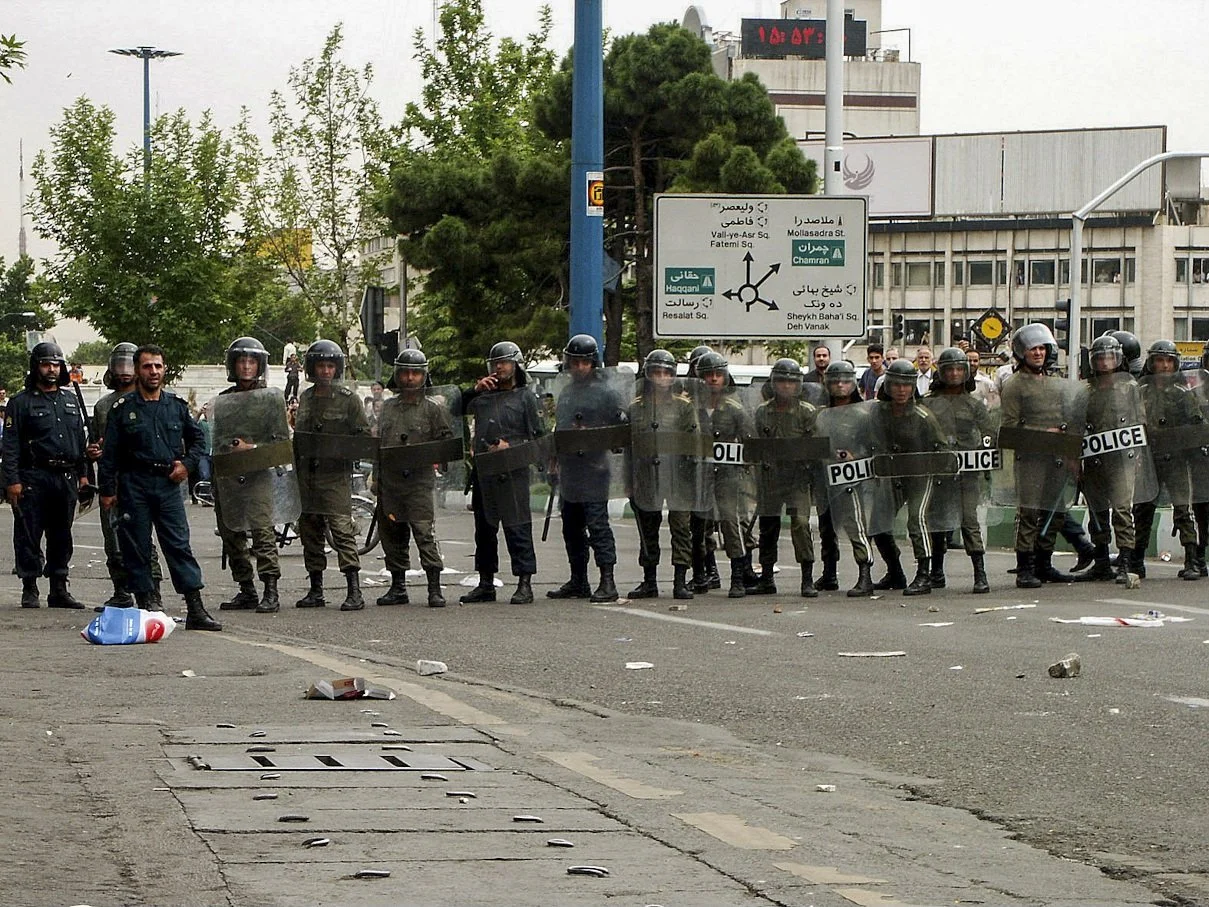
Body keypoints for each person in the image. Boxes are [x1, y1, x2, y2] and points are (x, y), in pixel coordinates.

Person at [97, 345, 222, 630]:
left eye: (158, 366)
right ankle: (147, 607)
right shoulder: (122, 410)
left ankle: (195, 608)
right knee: (137, 548)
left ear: (164, 369)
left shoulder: (175, 406)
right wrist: (107, 491)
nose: (153, 372)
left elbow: (199, 441)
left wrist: (187, 466)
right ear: (137, 370)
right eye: (147, 367)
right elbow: (110, 455)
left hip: (167, 484)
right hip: (134, 485)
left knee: (178, 545)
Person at [2, 341, 89, 609]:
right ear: (35, 366)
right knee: (29, 533)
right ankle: (30, 586)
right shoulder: (20, 402)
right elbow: (11, 445)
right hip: (33, 477)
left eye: (56, 364)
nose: (51, 369)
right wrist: (12, 481)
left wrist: (84, 475)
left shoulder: (71, 400)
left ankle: (58, 587)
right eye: (45, 364)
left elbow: (79, 441)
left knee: (62, 533)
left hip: (65, 477)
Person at [291, 340, 373, 612]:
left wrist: (340, 448)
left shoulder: (350, 400)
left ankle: (354, 590)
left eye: (329, 366)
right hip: (307, 476)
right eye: (320, 366)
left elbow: (362, 437)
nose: (325, 371)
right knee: (310, 532)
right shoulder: (306, 398)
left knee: (342, 531)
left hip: (334, 475)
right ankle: (316, 590)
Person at [460, 341, 545, 605]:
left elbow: (540, 439)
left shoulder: (526, 398)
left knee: (517, 528)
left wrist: (512, 447)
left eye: (505, 362)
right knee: (484, 531)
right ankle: (486, 583)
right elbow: (454, 408)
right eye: (496, 363)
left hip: (512, 471)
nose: (500, 367)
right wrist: (474, 391)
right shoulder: (482, 398)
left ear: (516, 364)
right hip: (484, 473)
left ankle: (524, 582)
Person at [999, 324, 1082, 588]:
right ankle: (1025, 567)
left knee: (1055, 510)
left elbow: (1067, 419)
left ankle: (1044, 563)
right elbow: (1010, 426)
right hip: (1031, 457)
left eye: (1042, 348)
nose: (1038, 353)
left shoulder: (1054, 383)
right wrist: (1042, 431)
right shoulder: (1014, 385)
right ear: (1021, 353)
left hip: (1056, 456)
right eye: (1033, 349)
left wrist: (1071, 453)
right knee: (1030, 511)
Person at [547, 334, 627, 603]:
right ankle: (578, 580)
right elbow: (560, 428)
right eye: (575, 362)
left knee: (598, 526)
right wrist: (554, 462)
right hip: (570, 469)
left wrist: (594, 433)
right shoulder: (567, 393)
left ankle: (608, 580)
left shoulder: (606, 393)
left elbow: (619, 429)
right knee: (571, 528)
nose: (579, 367)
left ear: (594, 363)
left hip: (595, 468)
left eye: (584, 362)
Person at [374, 349, 457, 608]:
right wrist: (376, 478)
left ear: (424, 376)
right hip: (391, 480)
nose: (410, 378)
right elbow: (380, 446)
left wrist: (436, 459)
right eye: (405, 373)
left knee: (424, 532)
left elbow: (447, 444)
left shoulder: (434, 409)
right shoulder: (387, 408)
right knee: (392, 533)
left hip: (419, 481)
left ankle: (434, 586)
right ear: (397, 375)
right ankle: (398, 586)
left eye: (416, 373)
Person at [87, 342, 165, 608]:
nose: (122, 372)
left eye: (126, 365)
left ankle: (152, 592)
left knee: (143, 538)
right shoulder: (103, 406)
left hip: (140, 481)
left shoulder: (149, 400)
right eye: (117, 366)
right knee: (113, 537)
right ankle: (121, 590)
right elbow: (97, 440)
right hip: (112, 481)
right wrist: (95, 451)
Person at [864, 358, 951, 595]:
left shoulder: (923, 416)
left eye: (906, 385)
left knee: (917, 520)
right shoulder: (878, 413)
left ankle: (924, 574)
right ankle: (895, 572)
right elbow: (869, 441)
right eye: (896, 385)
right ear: (888, 385)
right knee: (877, 524)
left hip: (921, 476)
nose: (901, 390)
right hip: (893, 477)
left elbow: (941, 449)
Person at [211, 337, 284, 613]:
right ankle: (246, 588)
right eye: (241, 360)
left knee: (263, 533)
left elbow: (280, 445)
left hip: (258, 474)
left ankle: (271, 589)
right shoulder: (224, 400)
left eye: (252, 361)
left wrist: (251, 448)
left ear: (260, 365)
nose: (246, 366)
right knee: (231, 534)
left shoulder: (270, 400)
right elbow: (217, 439)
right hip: (229, 476)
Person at [627, 349, 703, 600]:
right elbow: (629, 447)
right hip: (647, 475)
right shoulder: (636, 407)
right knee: (647, 527)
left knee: (681, 527)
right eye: (656, 372)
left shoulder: (683, 407)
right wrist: (629, 481)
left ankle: (680, 579)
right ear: (647, 375)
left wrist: (694, 477)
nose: (661, 378)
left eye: (666, 373)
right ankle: (649, 579)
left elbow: (695, 442)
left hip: (678, 475)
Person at [922, 348, 996, 593]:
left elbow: (988, 434)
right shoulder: (928, 402)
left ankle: (980, 572)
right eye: (949, 369)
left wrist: (982, 448)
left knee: (969, 520)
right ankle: (936, 571)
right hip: (939, 471)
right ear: (941, 372)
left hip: (967, 472)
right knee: (938, 522)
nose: (954, 373)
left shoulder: (974, 405)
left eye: (958, 369)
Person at [1074, 335, 1145, 584]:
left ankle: (1126, 561)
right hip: (1094, 459)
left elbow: (1140, 423)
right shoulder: (1085, 390)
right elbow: (1076, 425)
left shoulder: (1130, 387)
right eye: (1100, 357)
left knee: (1123, 510)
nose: (1105, 362)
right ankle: (1102, 561)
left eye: (1109, 357)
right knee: (1097, 511)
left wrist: (1138, 455)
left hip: (1122, 458)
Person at [750, 358, 821, 597]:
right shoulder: (763, 411)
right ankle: (767, 576)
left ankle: (807, 577)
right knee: (768, 526)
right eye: (781, 381)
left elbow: (816, 447)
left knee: (801, 524)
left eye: (791, 382)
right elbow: (756, 443)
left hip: (797, 478)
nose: (786, 386)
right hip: (770, 477)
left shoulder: (807, 412)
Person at [1135, 340, 1203, 580]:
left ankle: (1192, 558)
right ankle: (1135, 560)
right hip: (1149, 458)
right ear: (1151, 363)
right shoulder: (1140, 391)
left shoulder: (1182, 392)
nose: (1164, 366)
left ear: (1175, 364)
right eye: (1159, 360)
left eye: (1168, 361)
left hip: (1175, 458)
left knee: (1183, 509)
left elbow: (1195, 424)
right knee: (1142, 508)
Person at [693, 351, 754, 598]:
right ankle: (703, 573)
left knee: (731, 522)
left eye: (718, 374)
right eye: (708, 375)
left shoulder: (735, 409)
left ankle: (738, 576)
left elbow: (750, 442)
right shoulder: (692, 408)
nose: (714, 379)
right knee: (700, 525)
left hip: (729, 474)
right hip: (701, 474)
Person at [817, 360, 875, 596]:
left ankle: (865, 574)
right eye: (835, 381)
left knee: (855, 524)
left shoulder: (863, 414)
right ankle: (829, 573)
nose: (840, 385)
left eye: (845, 380)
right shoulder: (821, 415)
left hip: (852, 477)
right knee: (826, 526)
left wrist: (856, 457)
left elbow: (874, 445)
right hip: (824, 475)